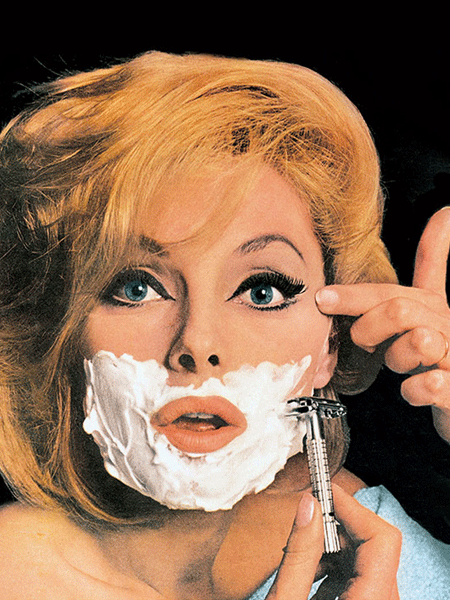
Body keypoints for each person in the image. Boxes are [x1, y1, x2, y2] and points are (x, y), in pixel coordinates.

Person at [0, 51, 449, 599]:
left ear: (329, 344)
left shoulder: (379, 549)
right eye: (136, 287)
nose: (198, 343)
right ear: (62, 336)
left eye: (262, 290)